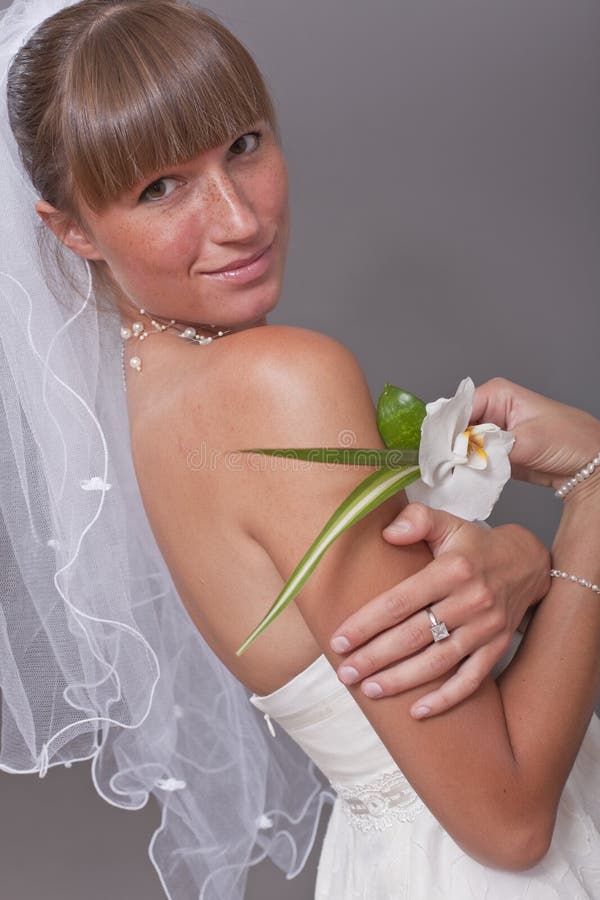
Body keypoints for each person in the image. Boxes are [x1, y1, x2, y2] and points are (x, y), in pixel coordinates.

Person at [0, 1, 597, 898]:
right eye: (159, 188)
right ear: (72, 230)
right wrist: (593, 491)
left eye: (242, 144)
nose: (238, 219)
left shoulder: (157, 402)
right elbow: (507, 820)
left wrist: (519, 565)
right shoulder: (275, 381)